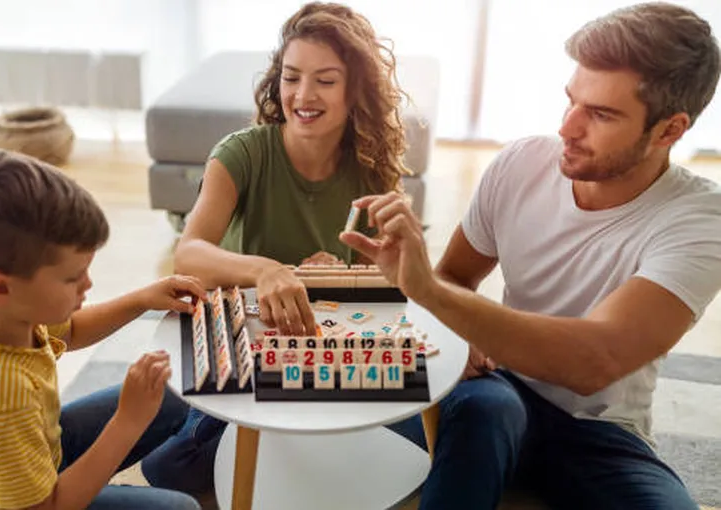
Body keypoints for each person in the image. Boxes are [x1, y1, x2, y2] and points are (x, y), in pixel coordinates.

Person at [340, 3, 721, 509]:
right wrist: (448, 312)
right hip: (500, 390)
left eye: (601, 114)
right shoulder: (521, 164)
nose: (567, 128)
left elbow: (595, 360)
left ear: (670, 131)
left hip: (603, 432)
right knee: (478, 413)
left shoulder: (699, 220)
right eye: (571, 101)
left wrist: (428, 291)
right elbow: (456, 276)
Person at [141, 1, 412, 497]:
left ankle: (181, 408)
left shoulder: (372, 169)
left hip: (310, 357)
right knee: (171, 468)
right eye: (291, 77)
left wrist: (337, 273)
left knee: (402, 424)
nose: (303, 95)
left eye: (325, 81)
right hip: (234, 346)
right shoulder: (241, 153)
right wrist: (267, 270)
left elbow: (385, 285)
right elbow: (190, 252)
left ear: (356, 89)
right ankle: (180, 406)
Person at [0, 150, 206, 510]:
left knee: (172, 395)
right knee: (182, 509)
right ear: (0, 288)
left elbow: (67, 333)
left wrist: (143, 299)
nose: (88, 284)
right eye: (72, 278)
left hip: (39, 451)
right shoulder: (1, 396)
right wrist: (127, 422)